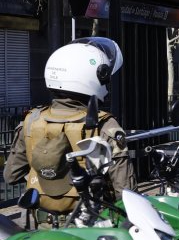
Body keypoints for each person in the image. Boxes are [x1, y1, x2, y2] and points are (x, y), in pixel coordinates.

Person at [3, 37, 133, 226]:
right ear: (93, 77)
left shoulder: (31, 121)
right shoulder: (105, 125)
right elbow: (127, 193)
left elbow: (11, 175)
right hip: (90, 232)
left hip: (41, 229)